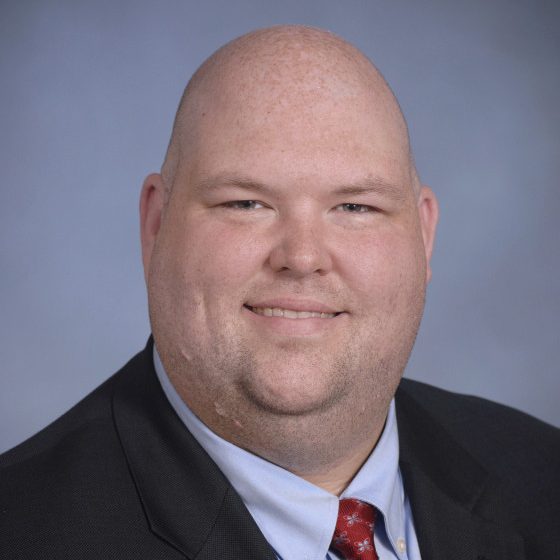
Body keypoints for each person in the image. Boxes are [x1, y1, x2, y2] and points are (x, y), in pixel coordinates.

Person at [1, 25, 558, 560]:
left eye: (356, 207)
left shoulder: (543, 476)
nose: (303, 257)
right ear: (155, 226)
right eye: (246, 203)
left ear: (424, 235)